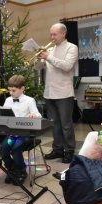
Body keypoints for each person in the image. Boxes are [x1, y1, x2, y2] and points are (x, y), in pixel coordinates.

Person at [34, 22, 78, 164]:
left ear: (63, 34)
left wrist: (48, 57)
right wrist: (39, 58)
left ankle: (69, 151)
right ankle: (57, 149)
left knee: (66, 125)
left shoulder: (72, 48)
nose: (51, 37)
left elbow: (66, 66)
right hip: (49, 92)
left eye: (54, 34)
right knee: (55, 124)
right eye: (50, 34)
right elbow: (38, 67)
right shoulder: (51, 49)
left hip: (64, 93)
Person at [0, 75, 42, 185]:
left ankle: (21, 170)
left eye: (13, 90)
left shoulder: (29, 100)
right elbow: (2, 115)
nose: (11, 93)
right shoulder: (8, 100)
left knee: (16, 148)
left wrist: (34, 115)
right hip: (12, 134)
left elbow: (38, 115)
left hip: (25, 134)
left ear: (22, 89)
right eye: (9, 90)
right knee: (3, 148)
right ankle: (13, 169)